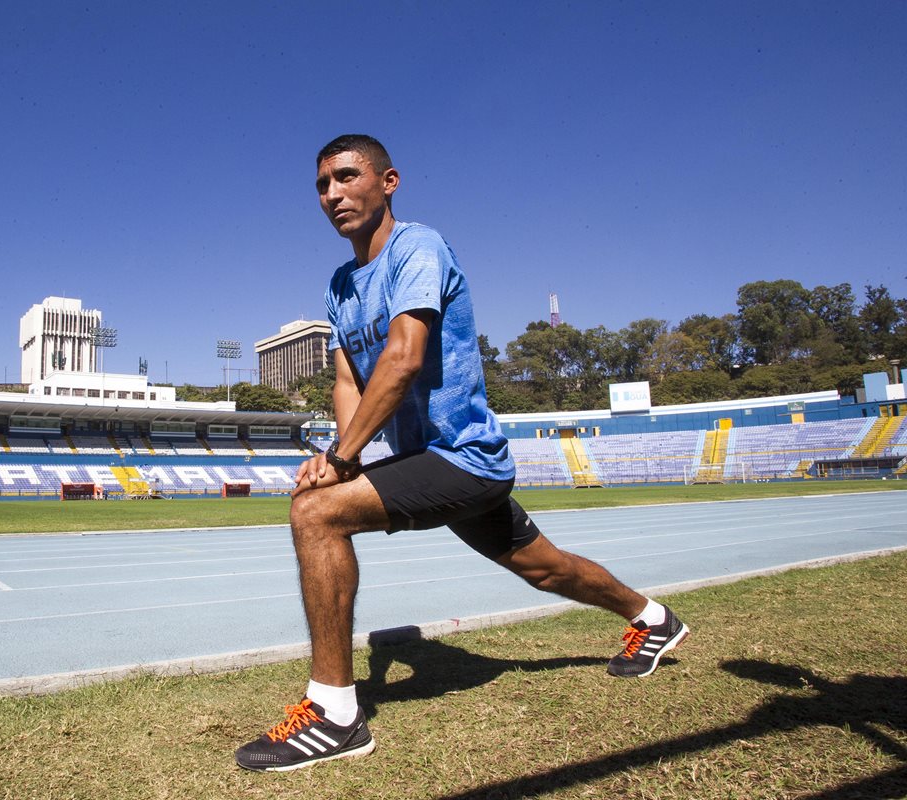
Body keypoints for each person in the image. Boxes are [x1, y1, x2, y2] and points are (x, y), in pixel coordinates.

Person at [234, 135, 689, 772]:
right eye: (321, 185)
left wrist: (340, 459)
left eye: (346, 177)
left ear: (388, 181)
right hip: (434, 461)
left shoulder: (417, 247)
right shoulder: (341, 284)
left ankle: (335, 713)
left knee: (317, 513)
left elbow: (403, 357)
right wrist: (351, 454)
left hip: (464, 457)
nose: (333, 194)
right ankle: (653, 617)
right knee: (546, 568)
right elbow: (348, 380)